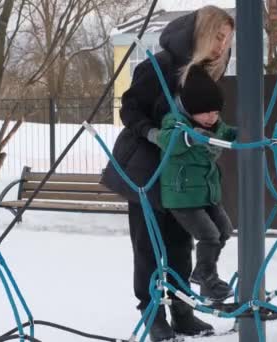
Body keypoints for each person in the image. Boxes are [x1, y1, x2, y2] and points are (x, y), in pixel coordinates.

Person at [101, 5, 234, 342]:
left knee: (179, 245)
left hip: (182, 174)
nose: (222, 46)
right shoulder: (159, 66)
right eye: (217, 37)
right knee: (148, 246)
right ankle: (152, 313)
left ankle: (182, 311)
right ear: (202, 33)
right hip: (147, 168)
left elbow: (204, 117)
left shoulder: (205, 72)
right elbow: (129, 108)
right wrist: (152, 133)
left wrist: (212, 138)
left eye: (227, 40)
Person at [151, 64, 236, 303]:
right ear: (190, 108)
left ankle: (204, 275)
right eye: (205, 112)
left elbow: (227, 133)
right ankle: (207, 277)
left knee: (225, 229)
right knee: (209, 234)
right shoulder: (176, 123)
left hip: (207, 193)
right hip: (181, 197)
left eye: (216, 112)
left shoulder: (215, 126)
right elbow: (168, 139)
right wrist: (189, 137)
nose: (212, 117)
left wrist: (244, 134)